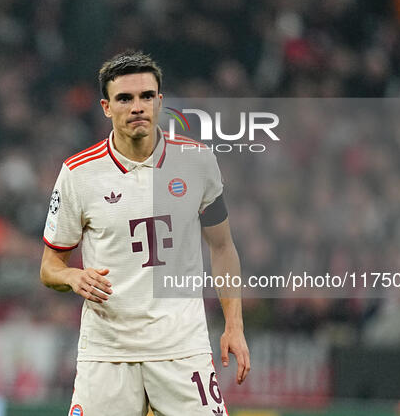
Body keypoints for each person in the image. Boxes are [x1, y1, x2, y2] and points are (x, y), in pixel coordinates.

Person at [40, 50, 250, 416]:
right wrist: (73, 276)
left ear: (160, 102)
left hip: (183, 349)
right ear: (106, 107)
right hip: (108, 354)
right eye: (125, 98)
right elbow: (49, 267)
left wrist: (234, 326)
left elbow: (223, 247)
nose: (137, 106)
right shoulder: (78, 174)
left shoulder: (197, 161)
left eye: (146, 96)